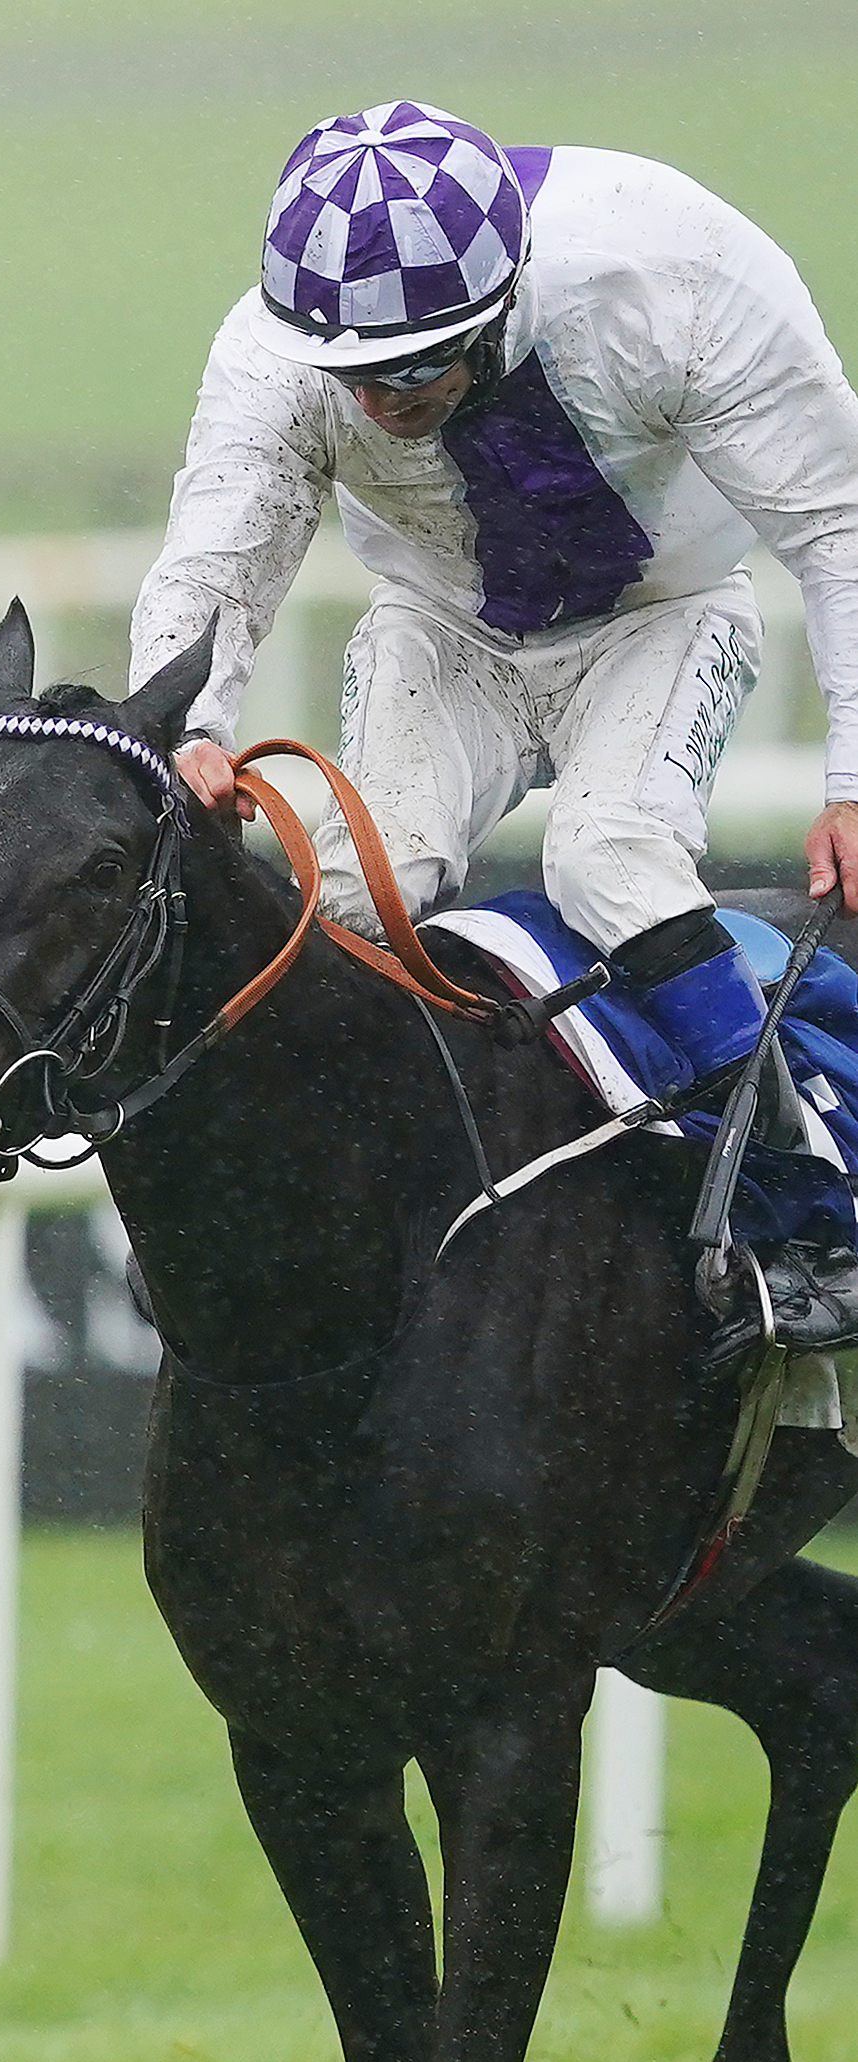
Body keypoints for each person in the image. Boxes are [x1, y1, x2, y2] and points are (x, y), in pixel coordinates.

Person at [131, 101, 858, 1351]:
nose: (386, 402)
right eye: (356, 376)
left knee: (609, 857)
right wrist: (189, 723)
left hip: (664, 618)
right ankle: (283, 1212)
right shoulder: (272, 355)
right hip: (441, 630)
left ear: (505, 294)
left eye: (421, 365)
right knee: (363, 893)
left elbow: (838, 526)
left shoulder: (672, 269)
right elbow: (217, 565)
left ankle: (813, 1219)